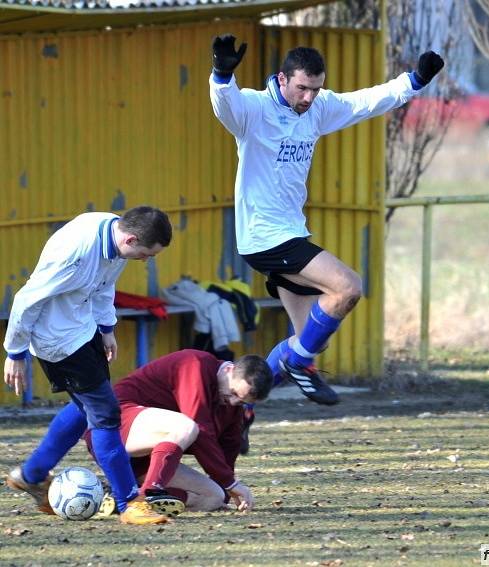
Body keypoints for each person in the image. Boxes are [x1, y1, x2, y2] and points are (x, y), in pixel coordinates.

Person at [209, 36, 445, 405]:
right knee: (348, 287)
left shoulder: (317, 108)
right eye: (302, 88)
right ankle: (299, 365)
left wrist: (413, 81)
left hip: (292, 231)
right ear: (282, 79)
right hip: (264, 236)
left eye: (315, 89)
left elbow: (364, 102)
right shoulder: (254, 109)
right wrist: (222, 75)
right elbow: (226, 106)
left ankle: (234, 408)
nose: (308, 98)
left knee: (306, 336)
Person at [3, 206, 174, 524]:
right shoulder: (76, 254)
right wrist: (15, 353)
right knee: (107, 414)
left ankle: (32, 474)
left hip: (83, 330)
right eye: (145, 254)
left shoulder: (114, 234)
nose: (145, 260)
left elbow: (103, 285)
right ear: (131, 238)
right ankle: (129, 503)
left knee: (87, 410)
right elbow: (27, 299)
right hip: (57, 339)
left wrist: (107, 328)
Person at [91, 349, 273, 516]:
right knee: (187, 426)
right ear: (228, 369)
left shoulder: (232, 407)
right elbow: (200, 429)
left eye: (241, 401)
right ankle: (145, 498)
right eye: (233, 393)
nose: (233, 402)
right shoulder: (196, 365)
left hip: (146, 459)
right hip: (113, 428)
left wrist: (228, 487)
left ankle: (119, 497)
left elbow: (229, 448)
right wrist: (229, 482)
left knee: (215, 497)